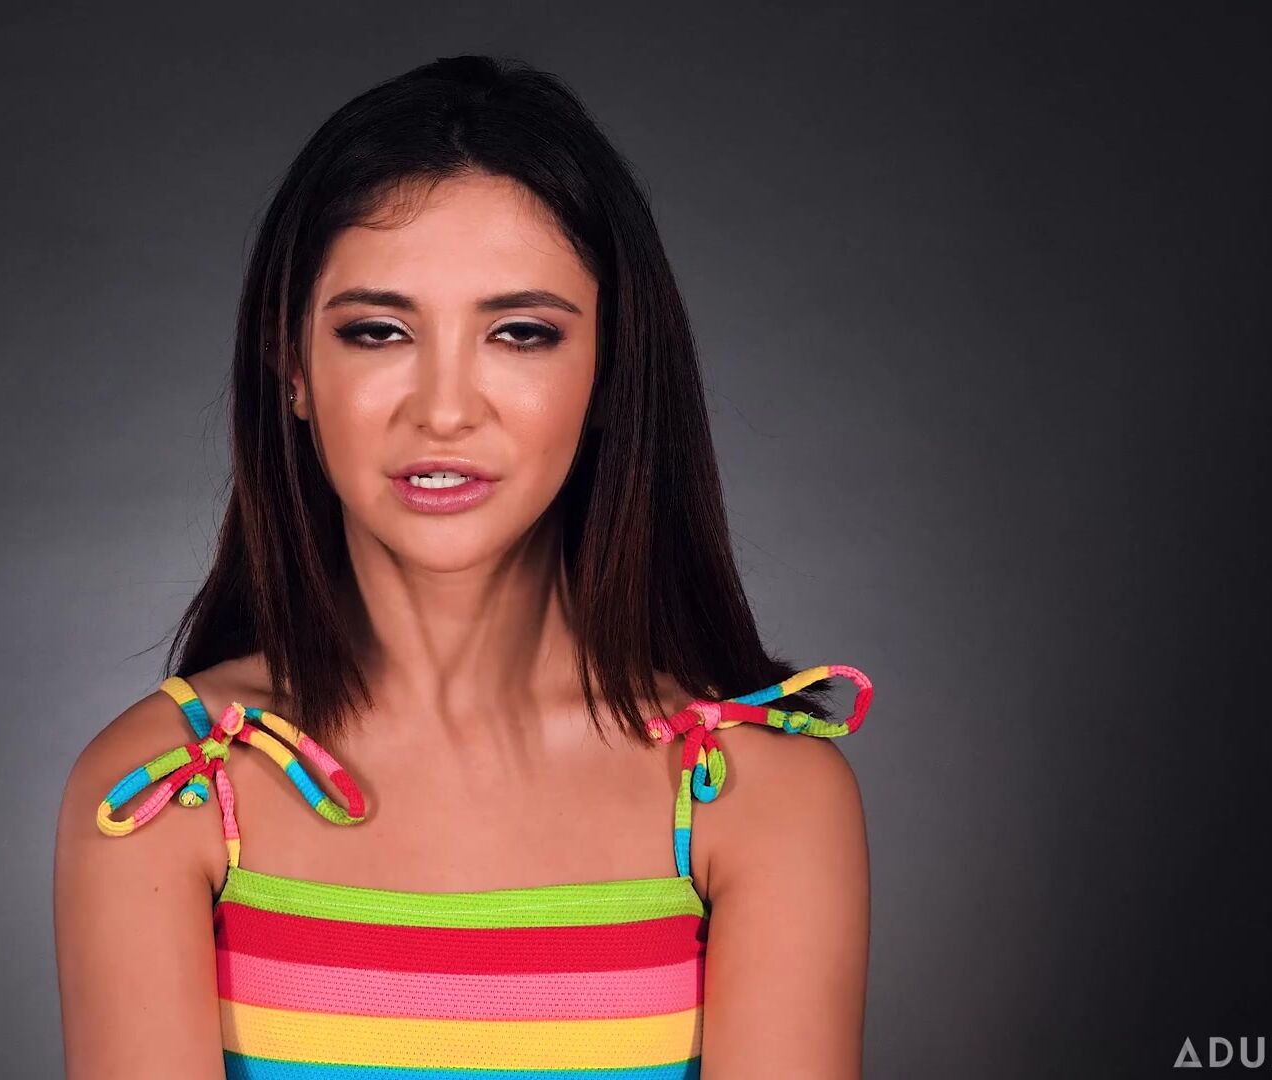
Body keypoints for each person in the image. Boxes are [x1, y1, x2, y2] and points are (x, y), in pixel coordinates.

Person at [53, 53, 875, 1079]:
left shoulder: (757, 793)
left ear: (611, 371)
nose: (444, 409)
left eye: (520, 333)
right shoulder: (160, 791)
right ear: (292, 366)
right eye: (378, 331)